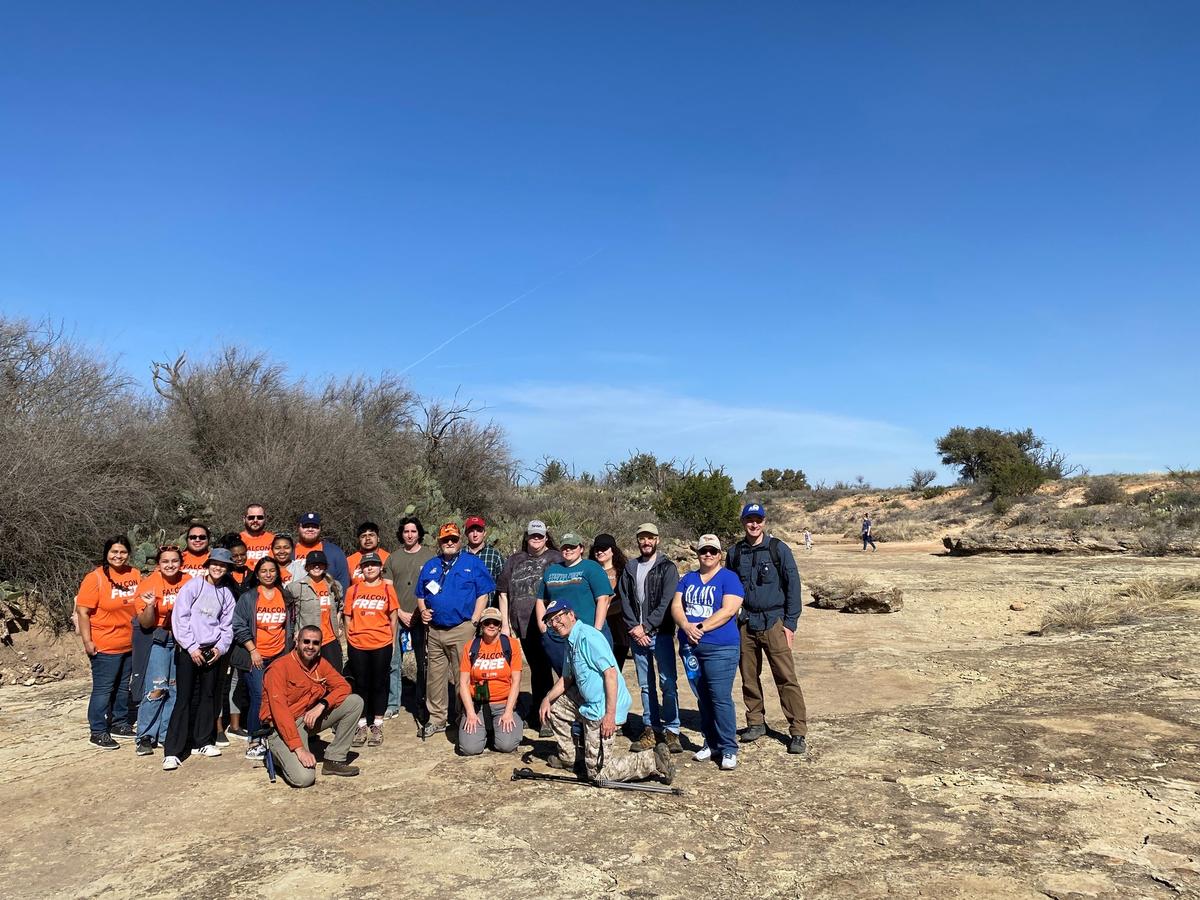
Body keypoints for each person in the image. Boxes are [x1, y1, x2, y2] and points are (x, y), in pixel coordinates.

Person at [539, 601, 675, 785]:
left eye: (558, 617)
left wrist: (610, 716)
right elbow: (567, 679)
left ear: (571, 615)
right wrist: (547, 699)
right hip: (589, 702)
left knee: (598, 775)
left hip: (604, 707)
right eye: (550, 621)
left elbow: (610, 674)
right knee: (555, 705)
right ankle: (570, 758)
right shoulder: (570, 641)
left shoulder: (588, 637)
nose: (555, 624)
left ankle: (653, 760)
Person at [728, 503, 807, 755]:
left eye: (758, 520)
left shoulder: (778, 549)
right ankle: (755, 722)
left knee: (785, 677)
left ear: (764, 522)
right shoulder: (735, 553)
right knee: (749, 677)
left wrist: (790, 623)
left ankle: (797, 731)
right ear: (743, 522)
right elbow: (728, 587)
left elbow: (793, 585)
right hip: (746, 623)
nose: (754, 524)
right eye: (749, 520)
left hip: (774, 622)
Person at [414, 523, 495, 739]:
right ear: (439, 542)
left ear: (460, 541)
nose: (449, 543)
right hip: (435, 631)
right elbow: (421, 593)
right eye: (445, 539)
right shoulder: (431, 565)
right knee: (435, 677)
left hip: (462, 628)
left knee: (464, 675)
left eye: (453, 539)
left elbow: (483, 593)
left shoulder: (472, 563)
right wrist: (423, 611)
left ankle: (463, 716)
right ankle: (437, 718)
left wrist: (475, 620)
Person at [671, 534, 745, 770]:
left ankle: (728, 747)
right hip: (690, 647)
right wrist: (685, 626)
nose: (708, 555)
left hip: (720, 647)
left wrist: (700, 628)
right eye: (704, 551)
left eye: (713, 551)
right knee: (702, 695)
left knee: (720, 697)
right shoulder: (688, 578)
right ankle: (710, 741)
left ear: (720, 554)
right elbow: (676, 605)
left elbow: (729, 610)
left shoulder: (729, 578)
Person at [261, 625, 364, 786]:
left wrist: (322, 704)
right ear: (297, 642)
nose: (310, 646)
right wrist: (299, 749)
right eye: (306, 641)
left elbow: (344, 687)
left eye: (315, 643)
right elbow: (280, 713)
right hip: (282, 728)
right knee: (304, 779)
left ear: (320, 646)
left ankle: (334, 760)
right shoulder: (279, 668)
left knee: (355, 702)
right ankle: (276, 756)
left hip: (307, 720)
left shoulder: (320, 664)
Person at [162, 548, 236, 771]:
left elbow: (227, 626)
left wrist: (220, 649)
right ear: (208, 564)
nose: (218, 568)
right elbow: (180, 618)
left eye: (223, 565)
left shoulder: (226, 594)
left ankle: (202, 740)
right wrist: (191, 646)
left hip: (211, 651)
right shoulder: (193, 586)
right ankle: (173, 751)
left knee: (208, 696)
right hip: (188, 650)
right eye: (215, 563)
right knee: (183, 698)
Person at [618, 523, 682, 754]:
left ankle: (673, 730)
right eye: (642, 538)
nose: (646, 542)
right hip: (637, 635)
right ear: (638, 541)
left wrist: (646, 627)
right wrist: (635, 627)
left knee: (668, 683)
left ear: (657, 540)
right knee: (646, 685)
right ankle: (651, 729)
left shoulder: (667, 567)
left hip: (661, 633)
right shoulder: (630, 567)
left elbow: (667, 602)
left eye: (650, 538)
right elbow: (624, 599)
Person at [75, 536, 141, 749]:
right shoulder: (95, 578)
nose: (118, 556)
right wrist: (87, 641)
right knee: (104, 689)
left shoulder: (135, 574)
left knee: (123, 687)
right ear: (106, 553)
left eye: (122, 552)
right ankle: (98, 730)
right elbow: (83, 612)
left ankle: (119, 723)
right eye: (114, 552)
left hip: (129, 643)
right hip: (104, 644)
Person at [496, 521, 562, 733]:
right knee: (538, 668)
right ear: (527, 537)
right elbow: (503, 592)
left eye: (540, 536)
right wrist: (505, 624)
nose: (536, 539)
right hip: (523, 625)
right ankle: (540, 714)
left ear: (546, 537)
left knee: (558, 669)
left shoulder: (556, 558)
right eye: (532, 535)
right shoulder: (515, 560)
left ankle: (554, 715)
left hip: (553, 624)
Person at [232, 556, 296, 762]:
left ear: (277, 573)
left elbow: (290, 623)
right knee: (258, 696)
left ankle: (274, 732)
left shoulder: (285, 596)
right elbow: (238, 624)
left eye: (272, 570)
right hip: (256, 656)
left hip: (279, 654)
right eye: (263, 571)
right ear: (257, 575)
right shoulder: (249, 598)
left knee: (276, 695)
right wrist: (252, 649)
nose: (268, 574)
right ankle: (254, 739)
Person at [134, 546, 191, 755]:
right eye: (165, 561)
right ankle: (145, 736)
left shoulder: (189, 582)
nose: (170, 565)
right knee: (157, 688)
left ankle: (167, 734)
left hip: (182, 641)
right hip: (159, 640)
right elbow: (145, 623)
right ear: (158, 564)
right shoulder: (149, 584)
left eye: (174, 561)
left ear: (180, 563)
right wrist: (150, 606)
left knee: (176, 690)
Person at [536, 532, 613, 680]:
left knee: (594, 678)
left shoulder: (591, 568)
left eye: (572, 546)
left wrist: (596, 631)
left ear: (581, 548)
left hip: (588, 633)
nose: (568, 550)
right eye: (565, 547)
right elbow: (541, 600)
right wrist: (543, 628)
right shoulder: (552, 570)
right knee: (566, 679)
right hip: (557, 636)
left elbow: (603, 599)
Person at [343, 553, 399, 747]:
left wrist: (392, 642)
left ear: (379, 567)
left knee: (379, 683)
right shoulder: (353, 589)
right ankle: (361, 724)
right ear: (361, 568)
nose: (370, 568)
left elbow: (393, 617)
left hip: (381, 643)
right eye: (366, 565)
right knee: (360, 684)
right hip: (358, 644)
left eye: (374, 565)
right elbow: (347, 616)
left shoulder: (387, 588)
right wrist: (350, 637)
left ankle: (377, 723)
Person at [382, 516, 434, 721]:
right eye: (406, 531)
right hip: (396, 616)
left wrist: (421, 611)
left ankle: (422, 700)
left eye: (413, 531)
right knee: (394, 661)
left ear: (419, 533)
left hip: (422, 617)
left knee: (424, 661)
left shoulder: (430, 557)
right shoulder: (393, 558)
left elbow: (434, 586)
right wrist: (400, 611)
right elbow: (387, 587)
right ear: (401, 534)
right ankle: (393, 702)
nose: (410, 535)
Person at [456, 607, 524, 755]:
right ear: (481, 625)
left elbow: (516, 681)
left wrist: (508, 712)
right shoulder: (471, 646)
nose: (491, 625)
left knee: (506, 746)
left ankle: (503, 725)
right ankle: (482, 730)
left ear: (500, 625)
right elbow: (464, 683)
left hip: (503, 704)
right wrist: (470, 713)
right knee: (469, 749)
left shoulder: (510, 645)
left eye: (495, 622)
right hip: (478, 705)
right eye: (487, 622)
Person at [286, 550, 346, 671]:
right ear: (307, 567)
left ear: (325, 566)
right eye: (313, 564)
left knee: (335, 674)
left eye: (320, 564)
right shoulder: (295, 587)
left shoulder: (335, 586)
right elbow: (289, 614)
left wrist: (337, 627)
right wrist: (295, 632)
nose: (317, 567)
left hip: (330, 638)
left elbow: (339, 607)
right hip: (308, 640)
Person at [589, 533, 630, 671]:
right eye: (596, 549)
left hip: (619, 628)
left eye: (604, 549)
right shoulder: (589, 570)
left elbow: (626, 599)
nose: (599, 552)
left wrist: (604, 610)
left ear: (613, 550)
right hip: (595, 625)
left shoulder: (624, 571)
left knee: (614, 670)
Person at [294, 512, 351, 588]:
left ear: (320, 528)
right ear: (299, 527)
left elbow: (343, 582)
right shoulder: (288, 551)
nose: (310, 529)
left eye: (315, 526)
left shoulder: (334, 552)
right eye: (306, 526)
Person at [463, 516, 504, 593]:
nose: (475, 534)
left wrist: (497, 605)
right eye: (471, 531)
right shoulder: (459, 555)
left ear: (484, 533)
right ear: (466, 533)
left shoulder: (494, 556)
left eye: (479, 531)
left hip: (489, 604)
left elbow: (503, 586)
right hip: (464, 604)